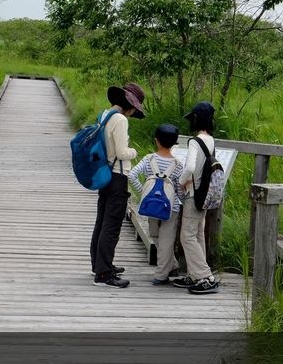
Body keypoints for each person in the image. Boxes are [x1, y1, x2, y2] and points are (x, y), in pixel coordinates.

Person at [90, 82, 145, 288]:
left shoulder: (104, 115)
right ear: (129, 106)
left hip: (104, 174)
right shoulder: (120, 119)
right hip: (117, 175)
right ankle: (104, 275)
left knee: (102, 220)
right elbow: (122, 152)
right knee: (112, 225)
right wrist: (135, 152)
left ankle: (99, 264)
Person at [172, 101, 221, 294]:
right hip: (206, 194)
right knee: (198, 234)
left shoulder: (194, 141)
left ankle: (204, 276)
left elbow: (191, 167)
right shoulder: (211, 140)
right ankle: (195, 274)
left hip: (194, 193)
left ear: (195, 119)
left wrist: (182, 182)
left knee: (187, 236)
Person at [128, 123, 185, 286]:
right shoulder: (178, 165)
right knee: (167, 239)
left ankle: (163, 272)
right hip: (170, 208)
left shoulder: (148, 159)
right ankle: (167, 269)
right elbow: (180, 190)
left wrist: (143, 193)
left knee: (155, 235)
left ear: (156, 141)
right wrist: (180, 200)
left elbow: (131, 175)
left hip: (151, 206)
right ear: (175, 144)